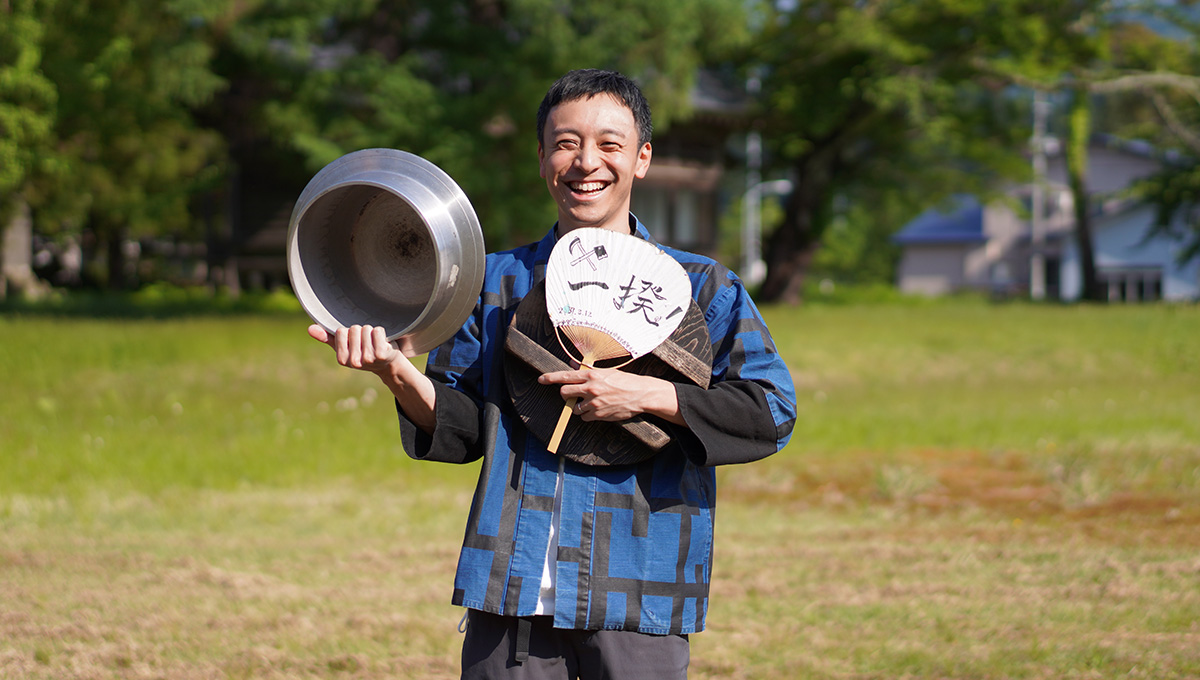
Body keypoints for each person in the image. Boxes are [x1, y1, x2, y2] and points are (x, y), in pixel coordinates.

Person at [308, 68, 796, 680]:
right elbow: (464, 429)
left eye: (609, 144)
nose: (586, 161)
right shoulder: (492, 282)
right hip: (508, 592)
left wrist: (650, 395)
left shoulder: (703, 289)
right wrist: (396, 373)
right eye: (566, 143)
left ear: (642, 159)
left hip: (638, 597)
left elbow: (771, 411)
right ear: (542, 158)